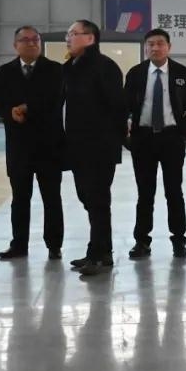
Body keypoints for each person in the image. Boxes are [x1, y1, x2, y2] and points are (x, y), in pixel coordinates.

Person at [0, 26, 64, 261]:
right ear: (15, 45)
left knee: (52, 197)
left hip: (49, 145)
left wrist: (28, 108)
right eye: (25, 40)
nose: (31, 43)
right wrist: (9, 111)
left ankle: (54, 245)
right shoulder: (5, 72)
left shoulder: (55, 70)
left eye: (35, 40)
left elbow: (56, 99)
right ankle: (19, 245)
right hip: (19, 146)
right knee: (20, 198)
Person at [124, 28, 186, 260]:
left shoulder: (182, 74)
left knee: (174, 191)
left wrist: (185, 134)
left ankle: (179, 240)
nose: (155, 48)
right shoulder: (136, 73)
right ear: (145, 48)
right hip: (143, 140)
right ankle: (141, 241)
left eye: (160, 43)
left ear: (169, 47)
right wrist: (128, 131)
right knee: (145, 193)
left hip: (171, 139)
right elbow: (125, 105)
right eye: (150, 44)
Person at [62, 19, 126, 276]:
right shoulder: (70, 67)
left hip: (100, 148)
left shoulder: (105, 67)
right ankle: (99, 251)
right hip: (77, 147)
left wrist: (114, 141)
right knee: (87, 199)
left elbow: (117, 107)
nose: (68, 38)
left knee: (98, 201)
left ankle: (99, 255)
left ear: (90, 38)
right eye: (68, 34)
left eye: (73, 33)